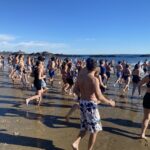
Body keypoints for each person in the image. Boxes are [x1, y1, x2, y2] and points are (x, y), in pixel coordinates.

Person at [72, 58, 115, 150]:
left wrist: (82, 96)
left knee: (84, 127)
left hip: (82, 103)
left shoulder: (80, 76)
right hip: (91, 106)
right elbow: (99, 97)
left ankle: (76, 143)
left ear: (86, 66)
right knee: (95, 130)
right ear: (95, 67)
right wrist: (110, 102)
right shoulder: (94, 79)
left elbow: (74, 90)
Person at [139, 67, 150, 139]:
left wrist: (139, 92)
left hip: (148, 97)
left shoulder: (147, 77)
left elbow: (139, 84)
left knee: (146, 117)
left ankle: (142, 134)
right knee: (147, 117)